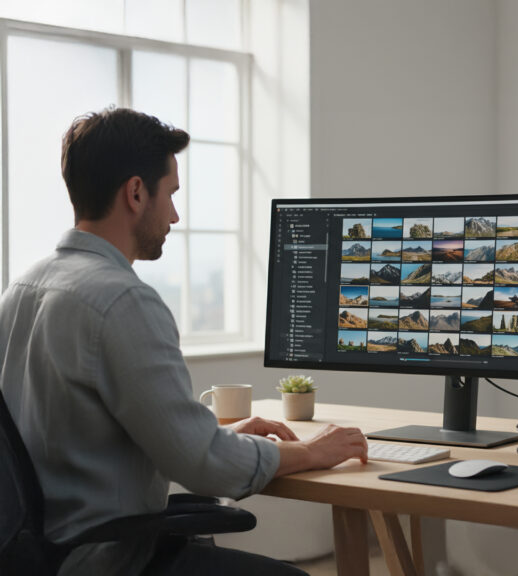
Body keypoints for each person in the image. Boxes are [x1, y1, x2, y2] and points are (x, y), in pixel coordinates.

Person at [0, 107, 369, 575]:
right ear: (136, 193)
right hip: (105, 559)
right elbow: (204, 467)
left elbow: (90, 444)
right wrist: (311, 451)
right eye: (171, 194)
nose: (175, 215)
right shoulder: (122, 301)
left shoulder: (22, 289)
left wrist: (219, 438)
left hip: (39, 555)